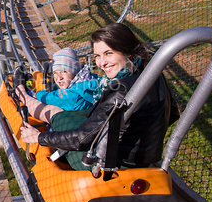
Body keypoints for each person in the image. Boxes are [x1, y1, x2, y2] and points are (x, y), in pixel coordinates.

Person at [16, 23, 179, 170]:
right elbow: (173, 114)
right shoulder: (153, 75)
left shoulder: (121, 89)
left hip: (106, 160)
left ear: (127, 51)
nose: (102, 63)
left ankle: (22, 94)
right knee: (59, 111)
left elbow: (81, 139)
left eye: (108, 53)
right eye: (97, 56)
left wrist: (39, 136)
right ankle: (25, 95)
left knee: (54, 112)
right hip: (139, 154)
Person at [28, 47, 98, 112]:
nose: (59, 77)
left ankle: (28, 89)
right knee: (40, 79)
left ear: (75, 72)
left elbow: (55, 98)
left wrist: (38, 94)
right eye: (55, 73)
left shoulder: (77, 91)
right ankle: (29, 85)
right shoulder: (91, 79)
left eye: (64, 72)